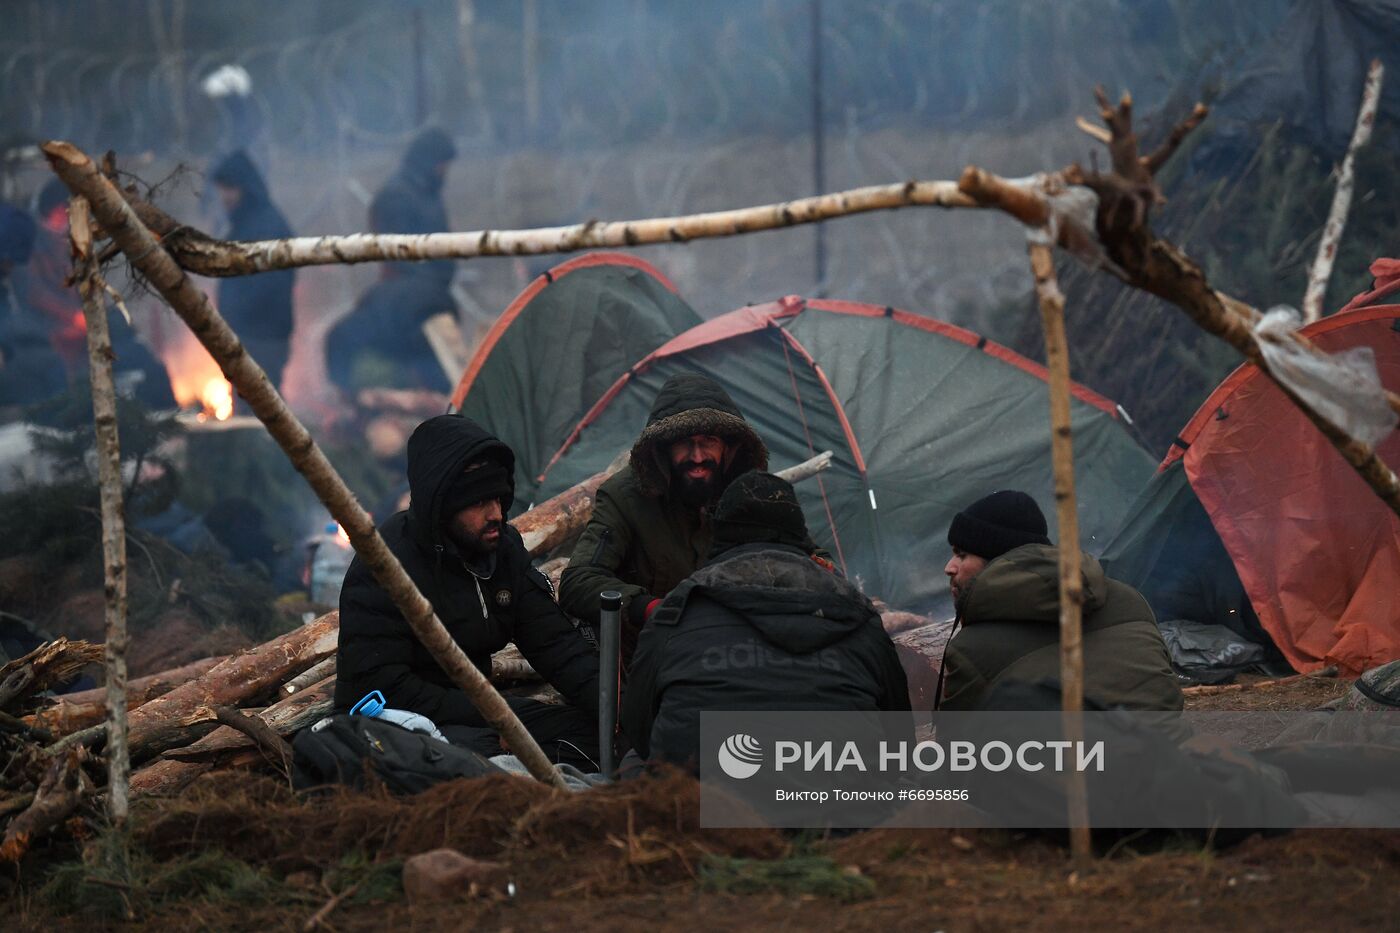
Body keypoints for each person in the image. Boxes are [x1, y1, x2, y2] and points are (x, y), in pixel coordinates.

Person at [335, 414, 601, 769]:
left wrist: (611, 703)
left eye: (498, 498)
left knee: (594, 736)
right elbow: (382, 686)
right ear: (442, 505)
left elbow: (554, 644)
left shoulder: (501, 550)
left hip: (477, 712)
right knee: (464, 761)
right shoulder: (386, 566)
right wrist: (493, 718)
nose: (495, 514)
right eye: (478, 503)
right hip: (396, 723)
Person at [622, 471, 910, 771]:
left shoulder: (677, 611)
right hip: (838, 809)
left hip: (699, 807)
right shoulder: (856, 611)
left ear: (719, 535)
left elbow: (638, 726)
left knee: (634, 763)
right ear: (801, 535)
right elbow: (900, 738)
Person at [559, 371, 772, 665]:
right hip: (658, 659)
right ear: (661, 448)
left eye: (708, 440)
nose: (697, 457)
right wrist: (647, 608)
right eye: (684, 442)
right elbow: (578, 582)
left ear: (729, 446)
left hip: (743, 654)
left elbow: (811, 557)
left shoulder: (751, 493)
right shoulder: (625, 497)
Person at [938, 489, 1182, 712]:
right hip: (1168, 755)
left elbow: (958, 747)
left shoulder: (973, 649)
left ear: (997, 559)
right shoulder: (1129, 599)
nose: (949, 568)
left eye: (962, 554)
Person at [210, 150, 296, 394]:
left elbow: (270, 285)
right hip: (247, 336)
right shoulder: (245, 223)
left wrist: (238, 314)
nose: (224, 196)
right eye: (222, 189)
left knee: (261, 412)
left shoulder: (266, 225)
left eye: (230, 188)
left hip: (262, 339)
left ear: (245, 187)